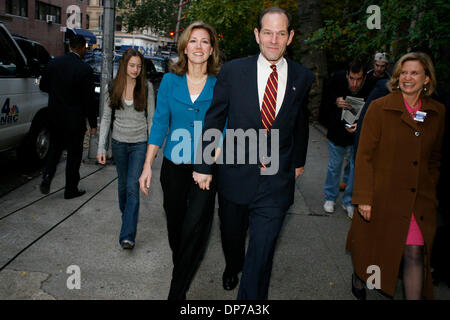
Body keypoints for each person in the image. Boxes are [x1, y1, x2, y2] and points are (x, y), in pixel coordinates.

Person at [193, 7, 314, 300]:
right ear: (257, 35)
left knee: (262, 252)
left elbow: (300, 122)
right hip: (236, 174)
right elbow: (215, 117)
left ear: (290, 37)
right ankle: (233, 264)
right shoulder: (234, 71)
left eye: (281, 33)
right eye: (268, 32)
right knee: (233, 237)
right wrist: (204, 165)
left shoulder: (302, 76)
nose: (274, 40)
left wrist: (298, 161)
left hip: (276, 181)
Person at [347, 52, 445, 300]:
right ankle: (360, 278)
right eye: (403, 72)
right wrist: (364, 197)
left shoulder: (437, 112)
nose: (407, 77)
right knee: (373, 253)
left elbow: (435, 158)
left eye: (414, 73)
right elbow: (365, 156)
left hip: (417, 200)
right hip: (382, 195)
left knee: (414, 252)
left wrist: (430, 185)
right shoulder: (380, 107)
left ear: (426, 79)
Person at [138, 21, 221, 300]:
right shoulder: (171, 81)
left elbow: (224, 129)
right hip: (173, 165)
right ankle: (182, 267)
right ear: (185, 47)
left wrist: (207, 164)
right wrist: (148, 164)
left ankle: (176, 291)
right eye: (193, 41)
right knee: (176, 225)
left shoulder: (220, 85)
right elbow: (160, 123)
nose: (198, 46)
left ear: (211, 50)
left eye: (205, 42)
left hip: (205, 170)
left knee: (195, 226)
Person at [96, 49, 155, 249]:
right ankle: (127, 218)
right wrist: (101, 147)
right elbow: (105, 118)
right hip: (119, 143)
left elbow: (151, 121)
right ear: (124, 66)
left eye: (139, 66)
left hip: (139, 143)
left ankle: (128, 235)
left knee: (132, 187)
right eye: (132, 65)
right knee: (123, 186)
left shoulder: (146, 87)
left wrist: (151, 153)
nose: (135, 70)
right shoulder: (113, 86)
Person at [39, 35, 97, 199]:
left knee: (54, 149)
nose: (86, 51)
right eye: (85, 48)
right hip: (75, 120)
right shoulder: (84, 69)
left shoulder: (54, 63)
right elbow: (89, 100)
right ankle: (70, 189)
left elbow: (44, 86)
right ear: (81, 48)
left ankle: (47, 176)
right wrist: (93, 123)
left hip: (55, 116)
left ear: (70, 46)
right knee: (74, 155)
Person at [322, 61, 371, 218]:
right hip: (337, 133)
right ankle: (330, 197)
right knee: (334, 166)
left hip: (357, 136)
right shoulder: (336, 81)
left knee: (353, 169)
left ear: (364, 77)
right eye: (352, 78)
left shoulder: (370, 87)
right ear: (347, 75)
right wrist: (336, 102)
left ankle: (349, 201)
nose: (355, 83)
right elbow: (323, 104)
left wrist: (360, 123)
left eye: (358, 79)